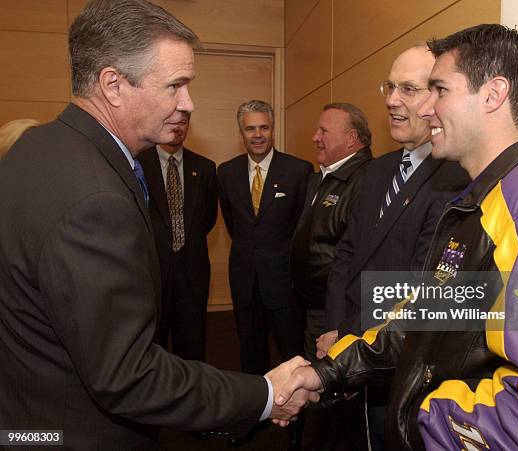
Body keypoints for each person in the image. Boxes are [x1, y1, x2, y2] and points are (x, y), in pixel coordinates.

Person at [278, 24, 518, 450]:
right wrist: (325, 372)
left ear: (493, 94)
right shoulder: (485, 202)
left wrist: (423, 416)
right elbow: (430, 317)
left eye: (440, 90)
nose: (427, 108)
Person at [0, 1, 315, 449]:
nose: (189, 103)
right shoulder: (96, 200)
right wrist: (264, 394)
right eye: (176, 85)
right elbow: (127, 374)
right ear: (112, 85)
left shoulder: (36, 147)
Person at [316, 46, 468, 450]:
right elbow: (346, 253)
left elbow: (421, 288)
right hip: (348, 341)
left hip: (393, 358)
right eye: (389, 86)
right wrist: (335, 327)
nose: (390, 100)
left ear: (436, 98)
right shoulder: (378, 169)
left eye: (408, 89)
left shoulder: (455, 178)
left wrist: (356, 347)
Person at [217, 99, 313, 447]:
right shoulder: (225, 173)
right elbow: (234, 224)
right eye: (250, 128)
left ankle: (297, 425)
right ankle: (253, 420)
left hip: (284, 284)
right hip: (244, 280)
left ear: (272, 129)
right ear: (240, 132)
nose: (258, 135)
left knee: (292, 356)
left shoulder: (299, 171)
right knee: (250, 355)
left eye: (264, 127)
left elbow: (303, 231)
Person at [291, 102, 373, 450]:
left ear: (352, 138)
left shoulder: (364, 181)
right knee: (317, 390)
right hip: (314, 307)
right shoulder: (322, 177)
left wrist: (339, 320)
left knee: (328, 395)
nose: (315, 137)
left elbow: (357, 258)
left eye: (324, 131)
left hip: (333, 314)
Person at [138, 113, 216, 362]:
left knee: (192, 349)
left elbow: (208, 219)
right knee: (151, 350)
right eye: (171, 120)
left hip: (192, 273)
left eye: (183, 122)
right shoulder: (137, 164)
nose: (178, 126)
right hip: (152, 274)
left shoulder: (204, 167)